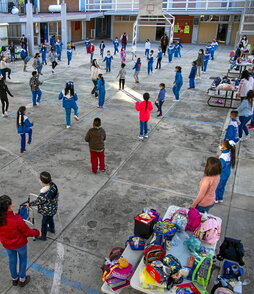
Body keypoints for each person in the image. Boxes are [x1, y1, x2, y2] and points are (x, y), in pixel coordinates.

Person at [0, 195, 40, 287]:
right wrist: (37, 232)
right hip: (20, 244)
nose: (13, 205)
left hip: (7, 244)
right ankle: (22, 279)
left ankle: (14, 279)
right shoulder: (16, 219)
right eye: (11, 204)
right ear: (9, 207)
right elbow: (27, 232)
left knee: (12, 260)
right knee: (23, 260)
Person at [28, 172, 58, 241]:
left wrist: (29, 204)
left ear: (42, 181)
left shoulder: (44, 194)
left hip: (47, 210)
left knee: (44, 223)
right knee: (50, 218)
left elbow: (38, 201)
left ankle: (43, 237)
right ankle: (51, 228)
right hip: (53, 208)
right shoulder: (54, 186)